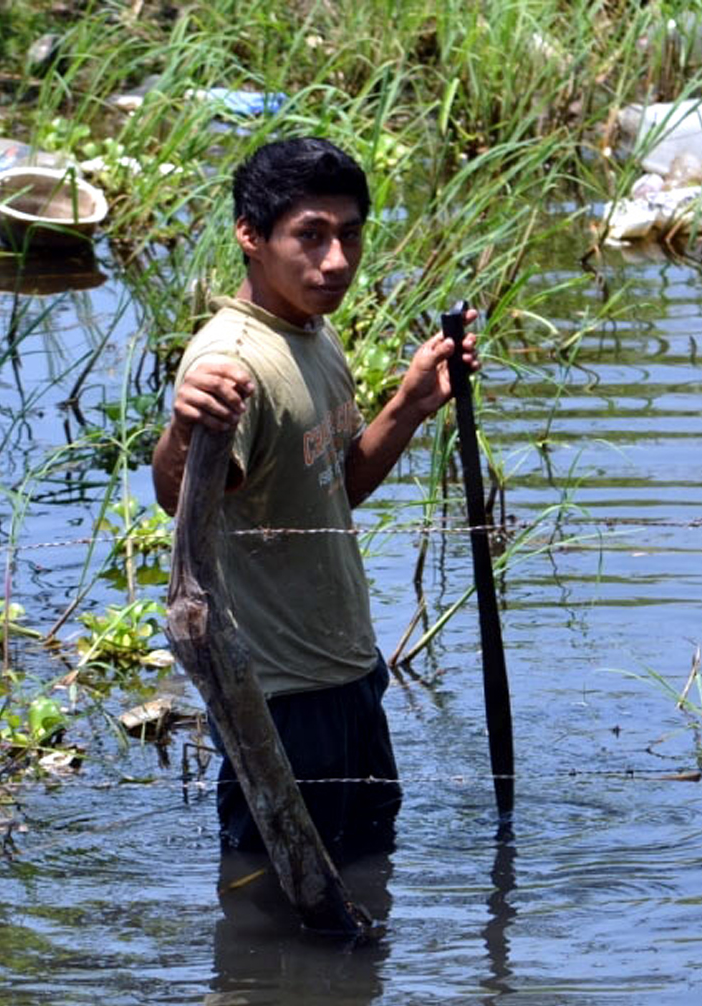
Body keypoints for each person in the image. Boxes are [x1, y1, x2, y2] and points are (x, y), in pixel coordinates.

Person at [152, 136, 479, 857]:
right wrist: (185, 425)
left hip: (348, 670)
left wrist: (410, 403)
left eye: (350, 235)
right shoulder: (232, 358)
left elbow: (334, 488)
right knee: (269, 896)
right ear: (250, 236)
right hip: (279, 695)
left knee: (364, 867)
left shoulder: (310, 332)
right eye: (310, 235)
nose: (335, 261)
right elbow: (179, 501)